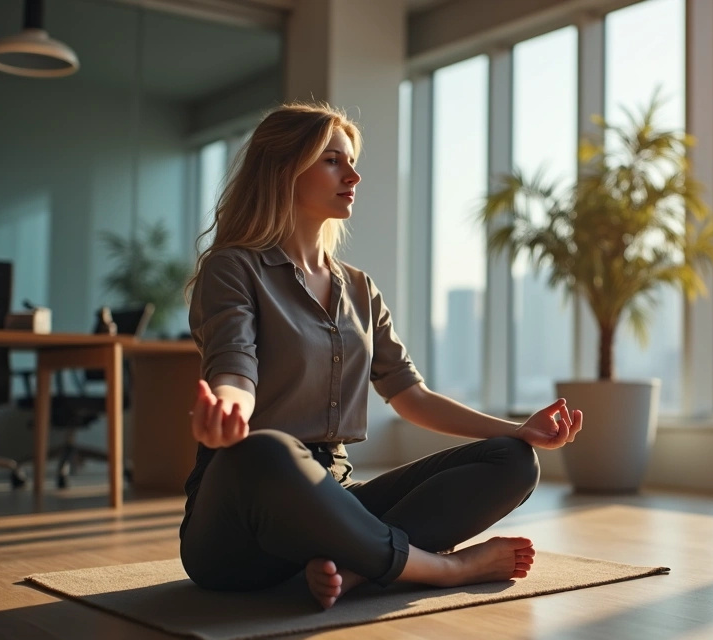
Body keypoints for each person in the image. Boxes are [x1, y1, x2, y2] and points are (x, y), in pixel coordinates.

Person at [180, 102, 583, 609]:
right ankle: (442, 567)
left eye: (350, 161)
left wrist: (516, 430)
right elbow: (234, 367)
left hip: (337, 501)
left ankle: (358, 569)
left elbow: (412, 396)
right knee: (268, 449)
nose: (353, 174)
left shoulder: (359, 288)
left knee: (513, 461)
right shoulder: (234, 267)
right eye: (332, 160)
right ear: (284, 168)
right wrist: (228, 411)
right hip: (241, 523)